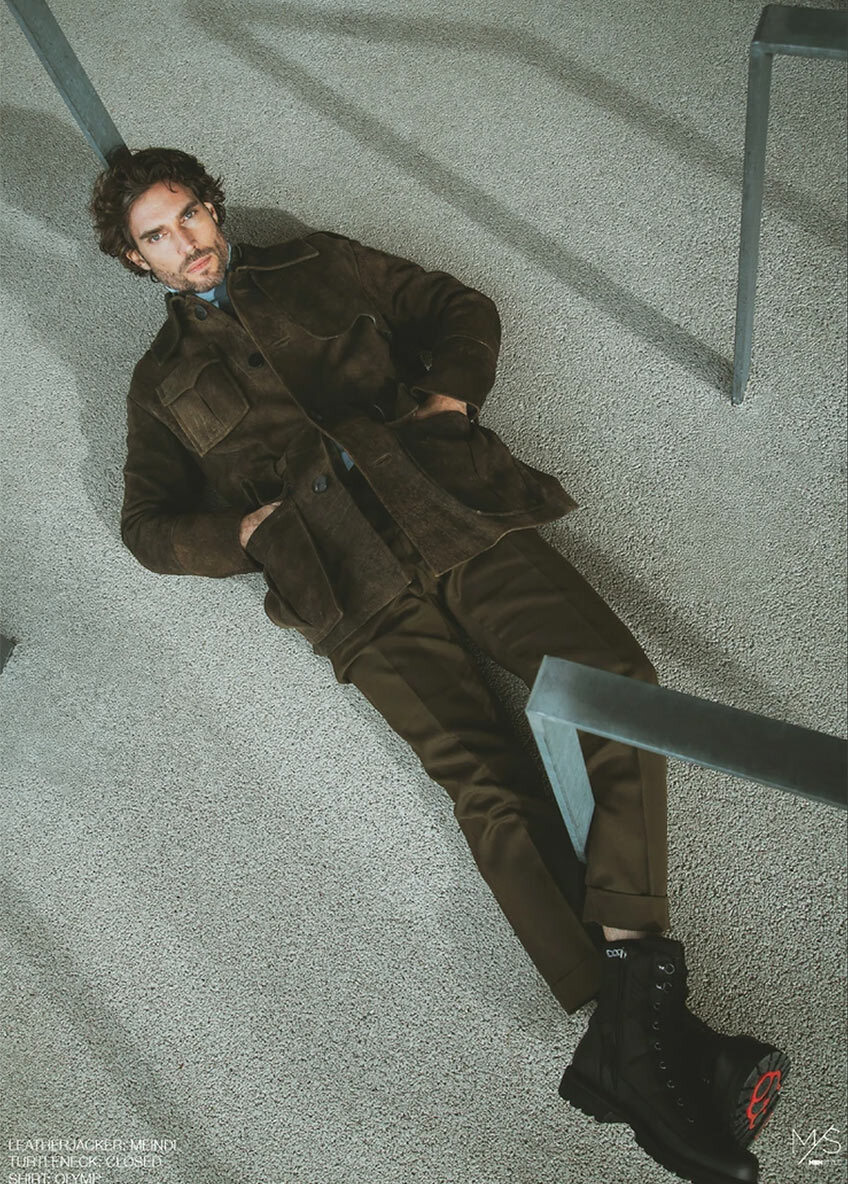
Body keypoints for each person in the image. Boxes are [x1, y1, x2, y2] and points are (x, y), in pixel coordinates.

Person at [90, 147, 787, 1184]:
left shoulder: (315, 262)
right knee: (483, 776)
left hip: (446, 506)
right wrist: (243, 532)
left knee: (613, 684)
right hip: (344, 582)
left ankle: (636, 1033)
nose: (186, 241)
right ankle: (660, 1044)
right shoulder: (157, 388)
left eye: (190, 212)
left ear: (213, 206)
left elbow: (459, 307)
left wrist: (451, 401)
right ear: (133, 260)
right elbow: (146, 527)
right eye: (157, 234)